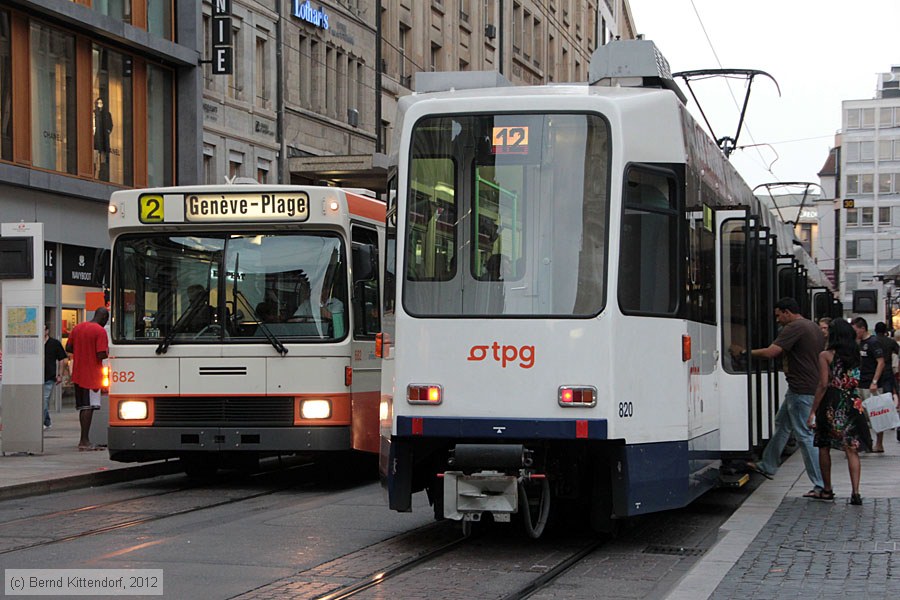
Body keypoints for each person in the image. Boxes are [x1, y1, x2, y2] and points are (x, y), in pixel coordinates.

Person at [739, 297, 825, 497]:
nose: (777, 319)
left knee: (804, 436)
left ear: (787, 312)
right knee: (782, 424)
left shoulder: (794, 327)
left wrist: (745, 352)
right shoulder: (813, 326)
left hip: (800, 389)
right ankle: (768, 465)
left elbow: (772, 352)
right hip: (804, 387)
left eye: (778, 315)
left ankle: (820, 484)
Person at [808, 319, 871, 505]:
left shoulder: (826, 355)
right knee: (852, 448)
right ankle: (856, 492)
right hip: (853, 401)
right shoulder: (856, 355)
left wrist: (813, 410)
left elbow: (823, 384)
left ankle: (827, 489)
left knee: (824, 445)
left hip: (832, 402)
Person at [66, 308, 109, 451]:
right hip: (92, 374)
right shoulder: (100, 331)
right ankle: (84, 441)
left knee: (83, 406)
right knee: (89, 407)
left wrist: (82, 351)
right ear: (104, 318)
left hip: (78, 373)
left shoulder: (78, 327)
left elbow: (69, 347)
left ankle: (83, 439)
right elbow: (101, 354)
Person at [851, 317, 886, 452]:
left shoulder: (873, 342)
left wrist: (875, 381)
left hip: (870, 384)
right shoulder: (858, 343)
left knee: (876, 414)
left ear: (862, 328)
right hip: (860, 382)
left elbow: (881, 362)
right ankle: (864, 441)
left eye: (856, 330)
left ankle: (879, 443)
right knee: (861, 414)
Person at [43, 324, 68, 430]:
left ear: (47, 331)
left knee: (44, 400)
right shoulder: (35, 344)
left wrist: (60, 375)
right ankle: (47, 421)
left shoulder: (54, 343)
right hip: (36, 377)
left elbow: (62, 359)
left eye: (42, 329)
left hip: (49, 376)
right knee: (40, 401)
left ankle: (42, 421)